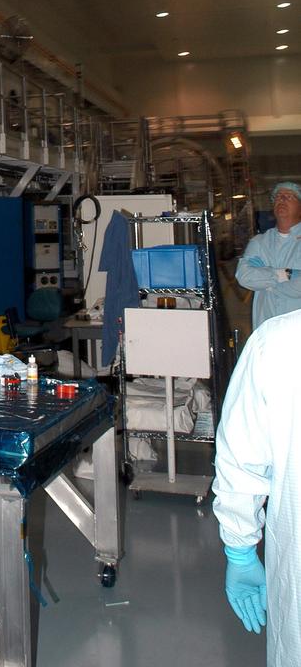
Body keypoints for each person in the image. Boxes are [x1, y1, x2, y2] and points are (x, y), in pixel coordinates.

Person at [213, 306, 301, 665]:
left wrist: (240, 549)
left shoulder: (280, 341)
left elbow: (241, 460)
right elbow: (249, 274)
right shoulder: (275, 340)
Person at [235, 182, 301, 329]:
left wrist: (266, 283)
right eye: (278, 197)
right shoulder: (259, 242)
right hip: (266, 328)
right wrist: (286, 274)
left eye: (289, 197)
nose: (281, 199)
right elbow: (245, 277)